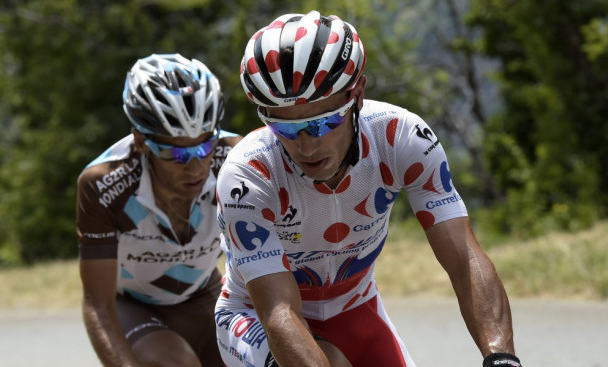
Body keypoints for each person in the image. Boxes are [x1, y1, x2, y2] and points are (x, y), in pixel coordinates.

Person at [214, 10, 521, 367]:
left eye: (324, 122)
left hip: (355, 306)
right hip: (256, 316)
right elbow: (279, 312)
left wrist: (501, 357)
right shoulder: (248, 174)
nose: (307, 145)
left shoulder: (400, 138)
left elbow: (464, 260)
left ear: (357, 94)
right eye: (284, 127)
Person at [77, 53, 242, 367]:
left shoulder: (236, 160)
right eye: (175, 152)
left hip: (203, 294)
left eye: (205, 145)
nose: (194, 166)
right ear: (140, 141)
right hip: (133, 307)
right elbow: (98, 305)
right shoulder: (103, 184)